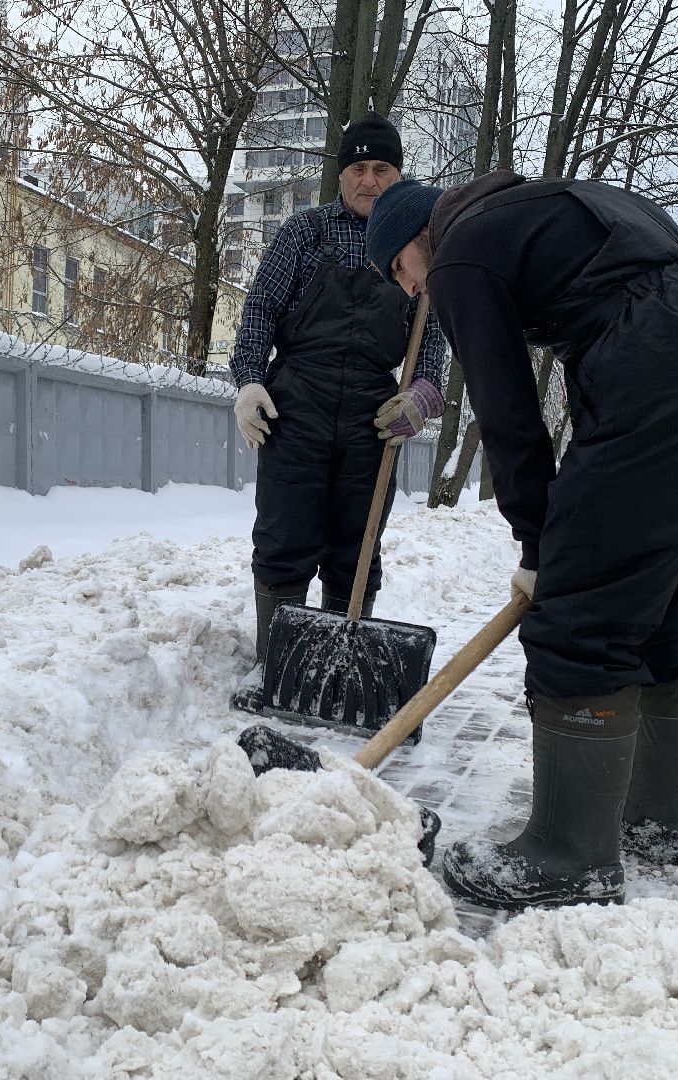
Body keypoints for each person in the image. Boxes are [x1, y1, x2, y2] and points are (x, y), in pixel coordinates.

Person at [364, 171, 678, 909]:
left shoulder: (459, 253)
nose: (409, 290)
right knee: (668, 611)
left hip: (659, 367)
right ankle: (660, 824)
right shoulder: (544, 204)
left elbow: (508, 413)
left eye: (399, 269)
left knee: (579, 616)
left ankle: (567, 856)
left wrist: (539, 546)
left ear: (416, 239)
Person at [227, 112, 448, 714]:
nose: (369, 181)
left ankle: (340, 663)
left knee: (358, 542)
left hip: (370, 417)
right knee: (284, 535)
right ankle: (276, 663)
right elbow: (261, 314)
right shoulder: (306, 233)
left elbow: (433, 345)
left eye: (382, 169)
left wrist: (421, 397)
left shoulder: (419, 248)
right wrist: (248, 381)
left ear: (397, 175)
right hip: (297, 404)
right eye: (358, 168)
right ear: (342, 174)